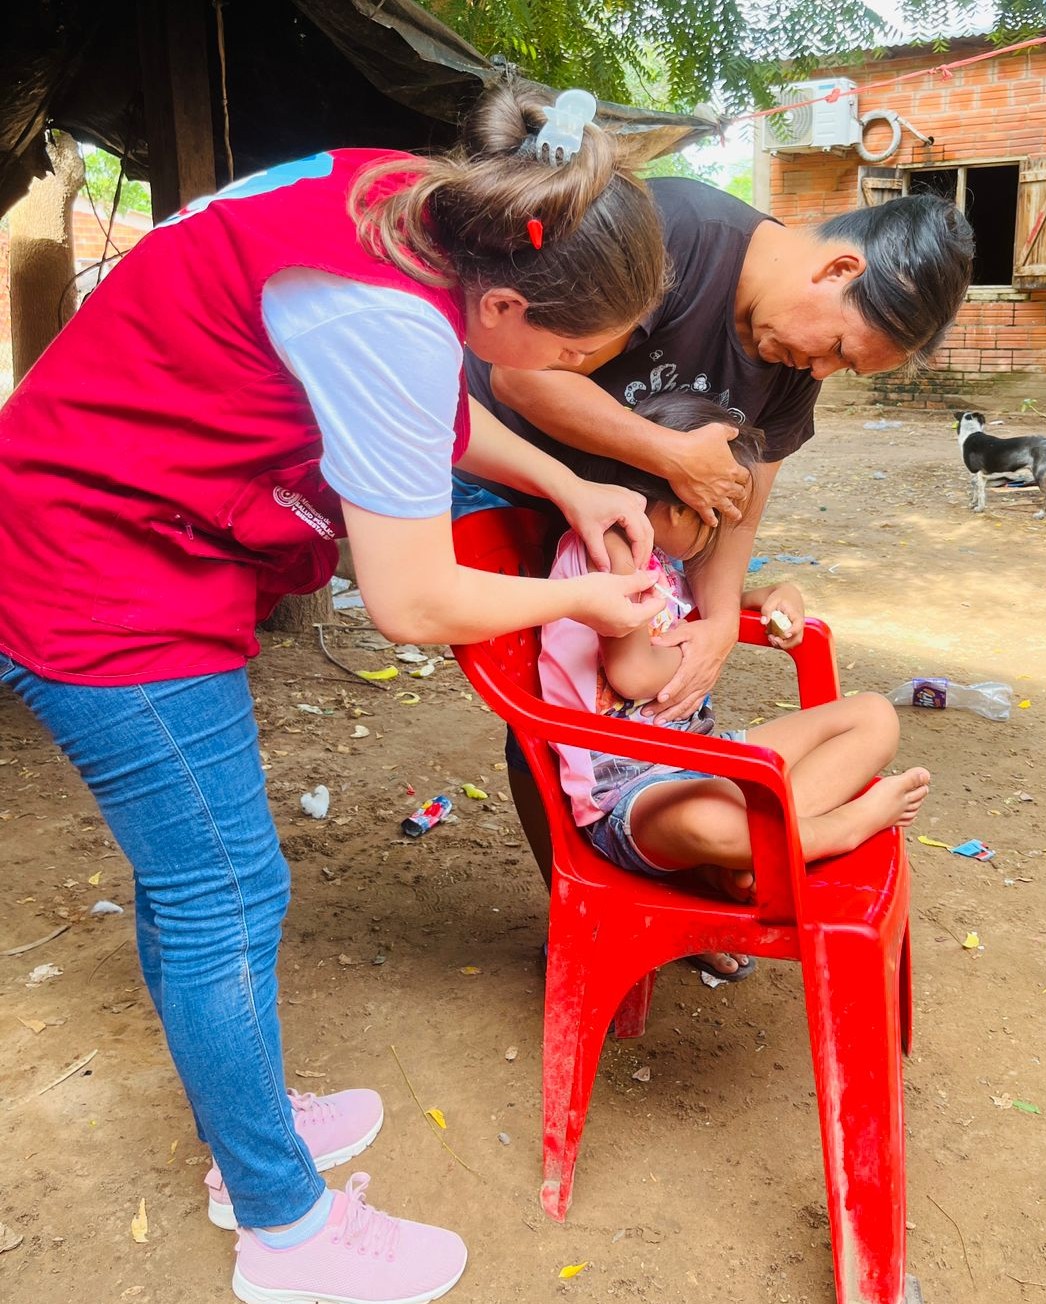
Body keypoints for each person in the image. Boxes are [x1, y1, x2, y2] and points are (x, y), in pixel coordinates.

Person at [0, 81, 671, 1304]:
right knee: (225, 888)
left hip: (110, 514)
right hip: (97, 572)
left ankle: (241, 1114)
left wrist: (573, 492)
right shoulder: (391, 312)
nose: (583, 375)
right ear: (507, 303)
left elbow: (433, 406)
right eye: (577, 356)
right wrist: (579, 601)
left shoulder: (408, 201)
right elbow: (414, 602)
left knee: (195, 876)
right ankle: (282, 1225)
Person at [465, 178, 972, 972]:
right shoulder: (674, 236)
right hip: (506, 470)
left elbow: (744, 485)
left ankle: (724, 868)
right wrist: (666, 456)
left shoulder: (787, 364)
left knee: (852, 720)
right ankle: (593, 916)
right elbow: (520, 374)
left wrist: (718, 614)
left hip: (646, 537)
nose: (822, 370)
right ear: (837, 269)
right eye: (837, 349)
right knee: (541, 708)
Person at [538, 392, 931, 967]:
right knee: (709, 821)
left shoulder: (658, 556)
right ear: (676, 509)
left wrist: (772, 596)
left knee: (873, 714)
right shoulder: (613, 553)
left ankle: (752, 858)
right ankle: (836, 829)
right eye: (715, 518)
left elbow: (690, 608)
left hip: (703, 758)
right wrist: (702, 649)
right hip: (630, 794)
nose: (719, 535)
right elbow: (631, 671)